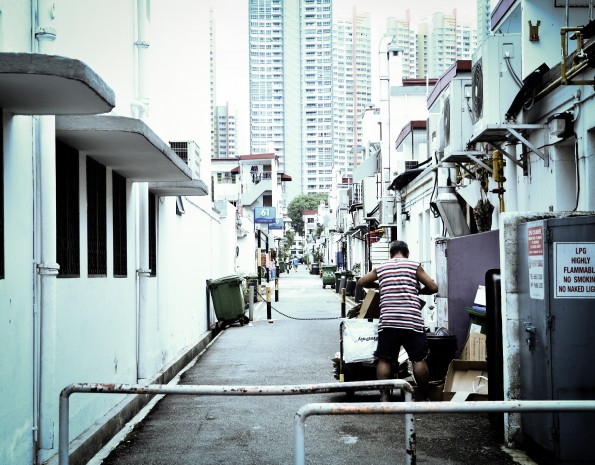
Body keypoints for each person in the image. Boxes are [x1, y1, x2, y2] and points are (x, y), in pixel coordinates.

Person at [357, 240, 438, 402]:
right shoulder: (414, 265)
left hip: (388, 321)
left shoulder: (382, 267)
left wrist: (381, 284)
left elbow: (361, 282)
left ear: (390, 253)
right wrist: (419, 290)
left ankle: (385, 397)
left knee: (384, 359)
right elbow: (433, 287)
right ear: (407, 253)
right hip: (412, 321)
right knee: (418, 359)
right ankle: (423, 397)